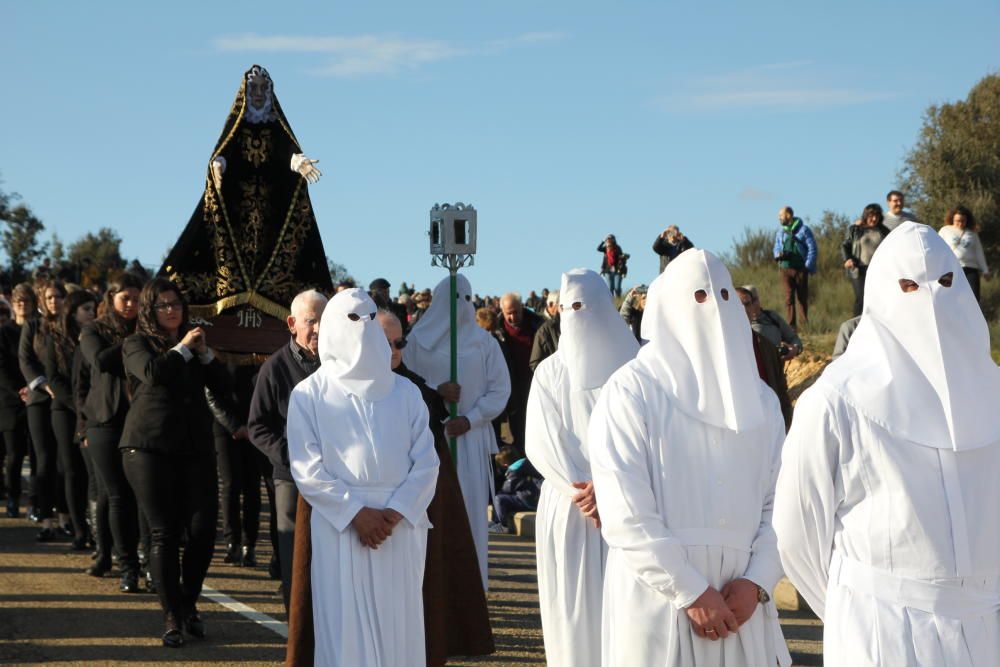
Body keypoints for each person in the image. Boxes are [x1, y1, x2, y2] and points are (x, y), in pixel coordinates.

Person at [773, 222, 1000, 665]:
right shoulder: (835, 398)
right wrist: (856, 604)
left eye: (945, 282)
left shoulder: (994, 391)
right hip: (881, 630)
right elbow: (797, 533)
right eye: (910, 286)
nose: (931, 302)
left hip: (983, 628)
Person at [589, 249, 790, 666]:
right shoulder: (632, 391)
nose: (713, 310)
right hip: (661, 599)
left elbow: (782, 503)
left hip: (742, 604)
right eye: (698, 297)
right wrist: (689, 590)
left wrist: (758, 580)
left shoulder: (763, 402)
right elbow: (625, 508)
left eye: (722, 295)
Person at [287, 289, 440, 667]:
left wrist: (397, 510)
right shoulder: (308, 395)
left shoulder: (406, 392)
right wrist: (357, 513)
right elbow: (307, 469)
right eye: (352, 319)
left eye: (369, 317)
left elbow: (426, 462)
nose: (363, 328)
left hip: (399, 529)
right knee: (344, 630)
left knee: (399, 626)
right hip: (341, 527)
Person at [525, 267, 638, 667]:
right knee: (574, 616)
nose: (578, 315)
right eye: (570, 307)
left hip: (631, 506)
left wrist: (608, 489)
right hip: (573, 507)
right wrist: (591, 491)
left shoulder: (639, 366)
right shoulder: (550, 372)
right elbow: (543, 443)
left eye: (584, 306)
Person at [120, 278, 227, 647]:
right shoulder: (136, 344)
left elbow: (224, 386)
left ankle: (187, 603)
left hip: (194, 448)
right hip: (148, 448)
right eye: (163, 304)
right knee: (164, 532)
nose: (172, 309)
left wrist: (206, 355)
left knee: (202, 531)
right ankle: (172, 615)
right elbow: (153, 374)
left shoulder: (195, 348)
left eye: (176, 303)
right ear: (150, 310)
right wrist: (183, 347)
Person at [403, 274, 511, 590]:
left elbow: (500, 390)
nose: (460, 307)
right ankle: (429, 580)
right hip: (428, 439)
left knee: (469, 506)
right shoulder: (415, 343)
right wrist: (437, 394)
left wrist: (471, 418)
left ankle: (470, 581)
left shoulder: (485, 343)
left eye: (466, 298)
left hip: (470, 439)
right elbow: (405, 383)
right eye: (454, 299)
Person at [248, 289, 328, 610]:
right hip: (291, 478)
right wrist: (292, 455)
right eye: (311, 321)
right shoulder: (275, 368)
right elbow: (257, 426)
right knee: (294, 556)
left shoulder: (338, 363)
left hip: (336, 475)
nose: (319, 329)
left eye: (325, 320)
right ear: (293, 323)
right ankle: (296, 626)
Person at [80, 273, 145, 585]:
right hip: (104, 421)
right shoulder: (94, 328)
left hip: (140, 419)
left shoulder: (148, 326)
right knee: (116, 494)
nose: (131, 304)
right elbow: (100, 361)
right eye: (125, 298)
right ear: (112, 298)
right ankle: (127, 566)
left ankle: (143, 560)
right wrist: (133, 344)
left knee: (140, 494)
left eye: (136, 298)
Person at [43, 289, 98, 550]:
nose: (92, 313)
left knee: (91, 472)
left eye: (94, 308)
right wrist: (78, 407)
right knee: (72, 470)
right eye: (86, 308)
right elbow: (54, 378)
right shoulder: (54, 337)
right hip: (65, 412)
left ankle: (96, 528)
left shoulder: (97, 335)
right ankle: (79, 529)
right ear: (73, 311)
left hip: (90, 412)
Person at [19, 279, 67, 541]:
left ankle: (66, 517)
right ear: (41, 301)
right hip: (39, 401)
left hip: (66, 403)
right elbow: (25, 360)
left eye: (58, 296)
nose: (54, 301)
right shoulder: (32, 326)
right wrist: (46, 386)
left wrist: (63, 391)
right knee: (45, 461)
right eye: (49, 297)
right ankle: (46, 519)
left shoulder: (69, 326)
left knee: (66, 463)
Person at [207, 363, 267, 568]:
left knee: (252, 487)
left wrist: (254, 427)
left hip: (255, 427)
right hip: (225, 427)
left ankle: (248, 545)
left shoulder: (258, 356)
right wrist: (234, 426)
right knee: (231, 484)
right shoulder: (218, 355)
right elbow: (210, 393)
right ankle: (232, 542)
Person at [736, 288, 794, 430]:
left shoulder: (767, 347)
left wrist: (786, 427)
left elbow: (781, 392)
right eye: (738, 304)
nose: (744, 309)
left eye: (747, 304)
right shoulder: (718, 348)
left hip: (770, 430)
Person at [0, 284, 33, 518]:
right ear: (13, 303)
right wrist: (19, 390)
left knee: (38, 454)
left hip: (37, 397)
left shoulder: (38, 330)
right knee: (14, 455)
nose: (22, 305)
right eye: (19, 301)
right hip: (11, 402)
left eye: (27, 301)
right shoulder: (3, 333)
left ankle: (35, 500)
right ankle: (12, 497)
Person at [497, 293, 544, 453]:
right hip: (511, 389)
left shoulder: (537, 326)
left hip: (535, 385)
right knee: (518, 431)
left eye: (515, 312)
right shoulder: (497, 332)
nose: (512, 316)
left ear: (522, 308)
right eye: (508, 313)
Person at [842, 203, 891, 316]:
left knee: (878, 299)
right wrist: (847, 259)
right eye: (871, 216)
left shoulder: (884, 231)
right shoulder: (855, 230)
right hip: (859, 269)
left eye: (876, 216)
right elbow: (845, 245)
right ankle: (856, 327)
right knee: (861, 297)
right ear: (865, 215)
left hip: (878, 270)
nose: (874, 219)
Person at [771, 206, 817, 329]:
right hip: (785, 268)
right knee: (788, 297)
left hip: (800, 268)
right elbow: (776, 247)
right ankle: (792, 326)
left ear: (788, 215)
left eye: (781, 215)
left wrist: (807, 266)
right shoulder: (780, 232)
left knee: (802, 297)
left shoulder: (804, 230)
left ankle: (804, 325)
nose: (779, 218)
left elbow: (812, 248)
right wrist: (777, 255)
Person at [939, 205, 989, 301]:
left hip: (970, 269)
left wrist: (985, 270)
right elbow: (938, 248)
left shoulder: (972, 233)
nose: (960, 223)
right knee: (951, 297)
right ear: (952, 219)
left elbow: (979, 252)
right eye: (957, 221)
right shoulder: (945, 230)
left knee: (973, 298)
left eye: (963, 221)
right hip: (951, 268)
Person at [738, 285, 802, 360]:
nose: (752, 305)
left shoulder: (772, 317)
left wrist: (795, 349)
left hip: (776, 369)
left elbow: (794, 338)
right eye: (746, 303)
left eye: (754, 300)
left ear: (758, 299)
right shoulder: (739, 326)